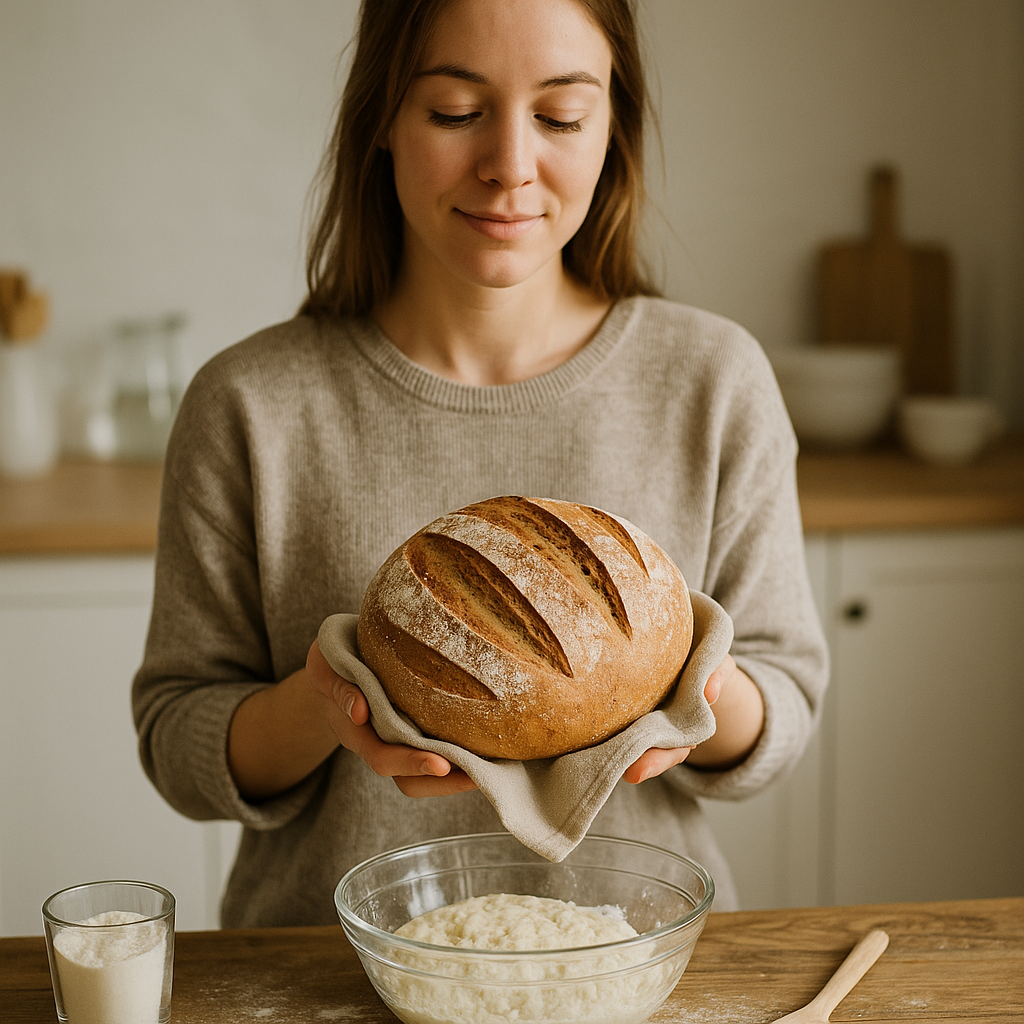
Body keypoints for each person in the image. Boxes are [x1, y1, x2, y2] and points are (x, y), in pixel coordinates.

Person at [133, 0, 828, 928]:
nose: (509, 164)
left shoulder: (711, 381)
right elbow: (179, 734)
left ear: (611, 126)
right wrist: (338, 701)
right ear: (380, 118)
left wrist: (685, 687)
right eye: (456, 111)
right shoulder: (250, 404)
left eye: (561, 117)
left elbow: (782, 702)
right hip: (327, 971)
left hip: (633, 963)